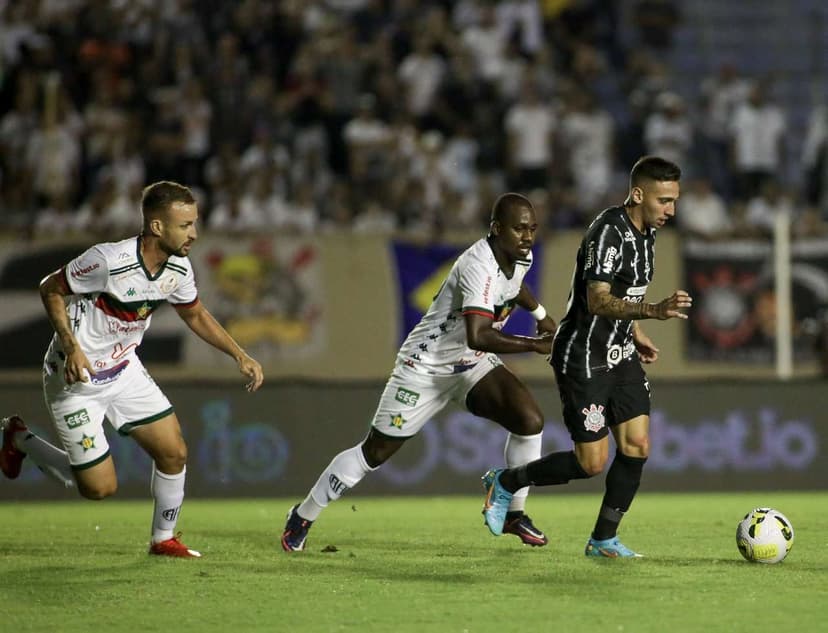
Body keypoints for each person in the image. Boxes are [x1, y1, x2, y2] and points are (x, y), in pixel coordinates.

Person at [0, 181, 264, 558]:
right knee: (99, 489)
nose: (194, 233)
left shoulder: (179, 268)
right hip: (77, 377)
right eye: (185, 225)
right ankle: (18, 439)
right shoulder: (108, 260)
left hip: (125, 370)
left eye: (194, 223)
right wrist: (71, 346)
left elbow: (195, 314)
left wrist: (240, 355)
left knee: (174, 452)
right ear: (157, 227)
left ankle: (163, 539)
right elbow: (49, 288)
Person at [282, 192, 557, 552]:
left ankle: (513, 514)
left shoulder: (519, 256)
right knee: (374, 454)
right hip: (424, 369)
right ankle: (303, 515)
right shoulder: (478, 265)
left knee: (529, 420)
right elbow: (481, 334)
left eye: (532, 228)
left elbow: (514, 285)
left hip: (470, 363)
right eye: (519, 229)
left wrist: (540, 314)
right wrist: (535, 344)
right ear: (495, 229)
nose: (527, 236)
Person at [481, 156, 692, 557]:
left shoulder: (646, 234)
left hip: (620, 351)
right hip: (583, 356)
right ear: (637, 194)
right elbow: (596, 301)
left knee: (638, 445)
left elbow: (625, 294)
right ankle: (507, 481)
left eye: (674, 200)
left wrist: (637, 331)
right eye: (664, 200)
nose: (672, 210)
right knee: (590, 463)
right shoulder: (608, 233)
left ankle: (603, 539)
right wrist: (653, 311)